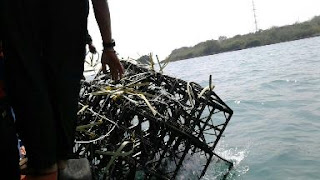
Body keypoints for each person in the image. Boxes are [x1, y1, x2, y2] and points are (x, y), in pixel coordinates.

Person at [0, 0, 124, 180]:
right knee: (53, 153)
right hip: (49, 53)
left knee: (49, 157)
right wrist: (108, 46)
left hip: (38, 51)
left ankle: (47, 166)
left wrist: (108, 46)